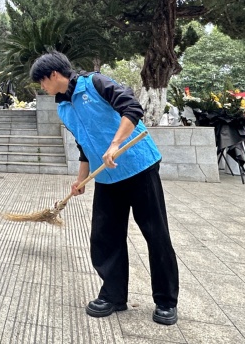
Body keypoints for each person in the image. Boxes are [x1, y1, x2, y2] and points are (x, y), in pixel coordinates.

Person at [30, 51, 179, 326]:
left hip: (138, 166)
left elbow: (132, 109)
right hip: (107, 178)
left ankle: (166, 301)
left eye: (42, 81)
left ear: (54, 74)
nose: (42, 87)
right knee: (105, 237)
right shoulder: (63, 107)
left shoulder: (95, 83)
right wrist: (81, 179)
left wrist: (115, 143)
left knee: (155, 234)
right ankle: (113, 296)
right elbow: (83, 144)